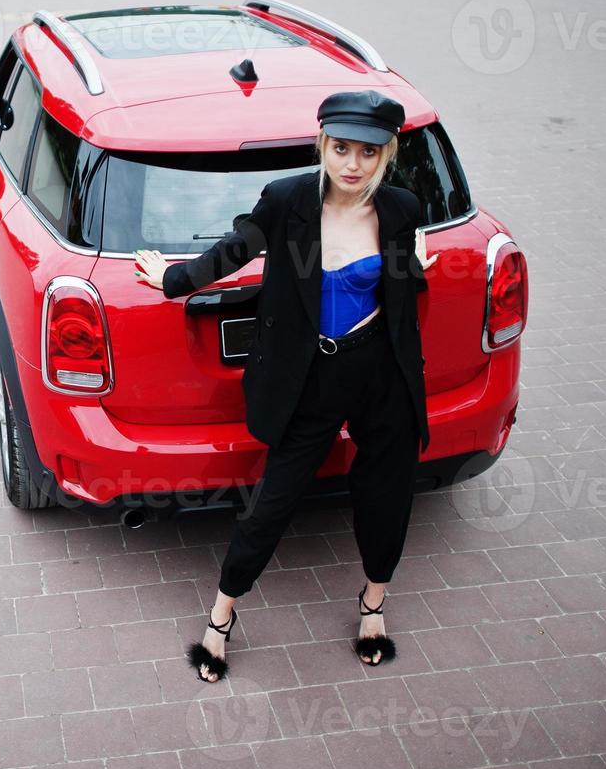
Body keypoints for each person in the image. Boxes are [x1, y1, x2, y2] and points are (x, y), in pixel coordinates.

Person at [132, 90, 437, 681]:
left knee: (386, 493)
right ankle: (220, 619)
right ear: (323, 144)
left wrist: (414, 262)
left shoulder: (401, 209)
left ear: (387, 155)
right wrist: (171, 279)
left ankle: (374, 605)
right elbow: (233, 251)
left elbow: (397, 287)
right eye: (340, 148)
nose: (352, 164)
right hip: (311, 377)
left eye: (368, 153)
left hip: (381, 373)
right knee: (273, 502)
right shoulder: (289, 199)